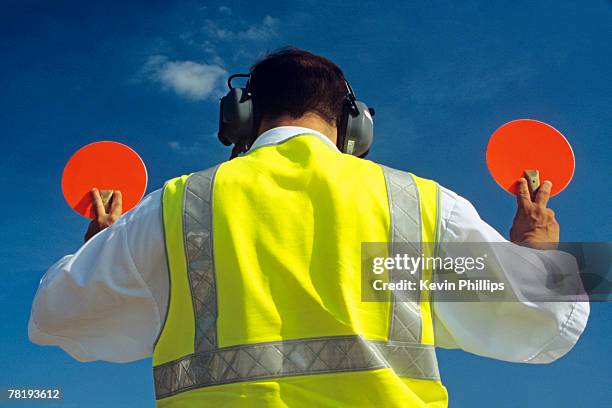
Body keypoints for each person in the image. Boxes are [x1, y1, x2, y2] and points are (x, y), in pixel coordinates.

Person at [29, 48, 589, 407]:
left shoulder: (181, 207)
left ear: (239, 118)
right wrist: (539, 251)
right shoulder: (410, 206)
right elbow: (541, 320)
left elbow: (57, 317)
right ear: (354, 128)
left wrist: (101, 246)